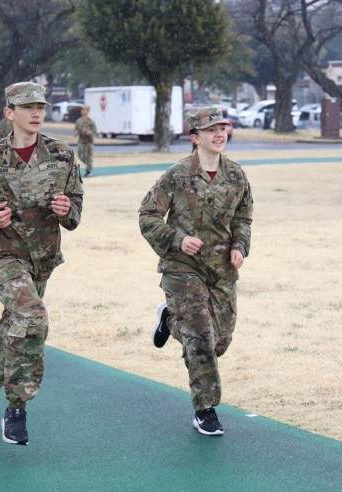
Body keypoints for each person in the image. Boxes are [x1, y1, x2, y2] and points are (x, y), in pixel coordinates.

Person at [0, 81, 84, 445]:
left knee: (15, 327)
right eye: (28, 107)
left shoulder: (61, 154)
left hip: (42, 257)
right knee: (33, 317)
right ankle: (17, 408)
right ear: (9, 113)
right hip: (5, 254)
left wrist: (67, 210)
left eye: (40, 106)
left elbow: (75, 205)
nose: (36, 113)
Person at [138, 106, 253, 436]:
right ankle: (206, 409)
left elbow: (243, 219)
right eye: (210, 129)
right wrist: (177, 239)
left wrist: (239, 247)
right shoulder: (177, 174)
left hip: (221, 270)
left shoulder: (237, 174)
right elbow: (148, 216)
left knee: (220, 341)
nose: (219, 134)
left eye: (222, 128)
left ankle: (169, 320)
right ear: (194, 137)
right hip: (182, 268)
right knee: (201, 339)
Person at [74, 104, 97, 177]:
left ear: (88, 111)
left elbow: (94, 132)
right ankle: (89, 164)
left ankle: (89, 171)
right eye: (82, 109)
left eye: (84, 109)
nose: (82, 111)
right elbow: (75, 131)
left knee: (89, 156)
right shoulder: (78, 121)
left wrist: (87, 132)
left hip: (89, 141)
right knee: (80, 155)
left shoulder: (91, 122)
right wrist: (76, 133)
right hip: (81, 141)